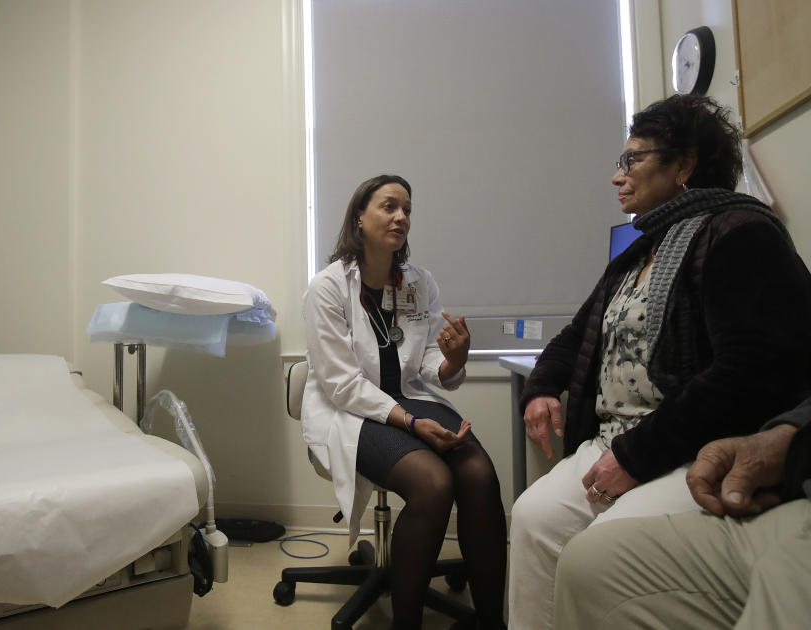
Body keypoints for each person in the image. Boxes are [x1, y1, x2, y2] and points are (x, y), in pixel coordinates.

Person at [507, 94, 811, 630]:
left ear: (684, 164)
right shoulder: (637, 254)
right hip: (616, 442)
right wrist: (541, 389)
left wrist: (635, 456)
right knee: (532, 518)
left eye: (632, 159)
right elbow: (575, 335)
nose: (617, 176)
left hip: (690, 450)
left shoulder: (740, 233)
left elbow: (749, 373)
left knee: (601, 550)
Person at [301, 174, 507, 629]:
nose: (401, 217)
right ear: (360, 216)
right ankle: (406, 622)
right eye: (389, 206)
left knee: (478, 474)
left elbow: (427, 361)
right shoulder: (329, 288)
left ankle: (491, 620)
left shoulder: (418, 283)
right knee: (433, 483)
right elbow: (342, 385)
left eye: (407, 209)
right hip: (352, 410)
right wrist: (411, 425)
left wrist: (453, 361)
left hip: (408, 398)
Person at [553, 397, 811, 629]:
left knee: (787, 588)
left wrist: (636, 453)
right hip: (795, 503)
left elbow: (739, 373)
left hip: (673, 448)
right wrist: (790, 435)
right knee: (587, 558)